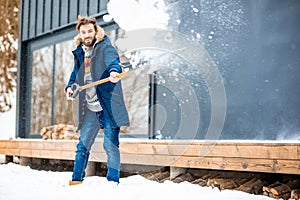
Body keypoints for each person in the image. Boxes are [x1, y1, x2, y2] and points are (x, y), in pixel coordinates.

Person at [65, 16, 129, 185]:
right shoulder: (79, 52)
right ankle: (76, 181)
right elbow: (75, 74)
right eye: (83, 32)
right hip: (91, 109)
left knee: (110, 146)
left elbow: (113, 62)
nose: (87, 35)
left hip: (108, 106)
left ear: (95, 31)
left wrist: (114, 72)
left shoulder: (104, 46)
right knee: (82, 146)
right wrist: (70, 86)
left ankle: (112, 183)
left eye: (89, 31)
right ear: (80, 34)